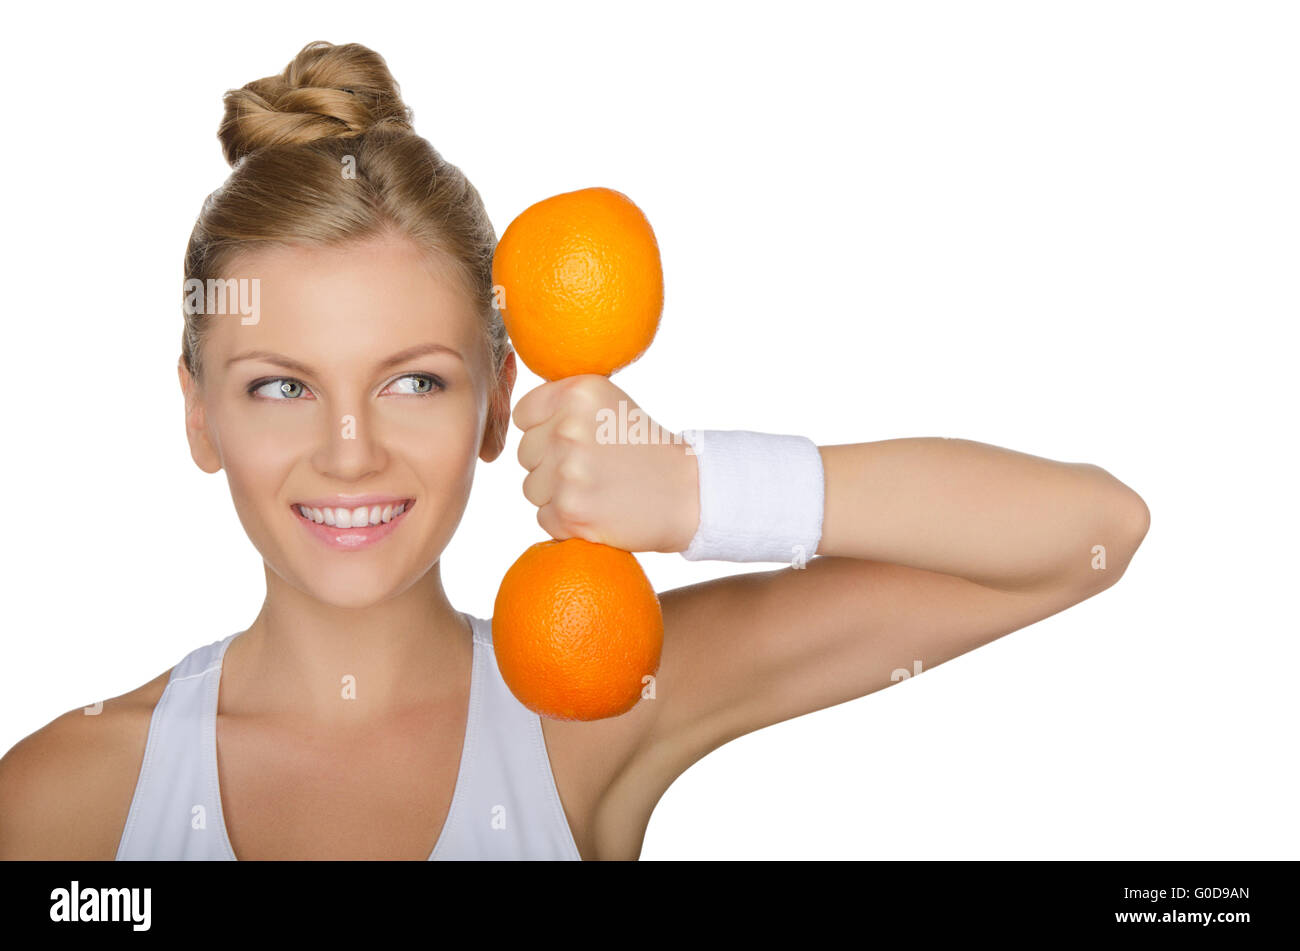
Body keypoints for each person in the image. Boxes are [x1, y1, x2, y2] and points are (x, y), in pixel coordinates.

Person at [0, 41, 1149, 861]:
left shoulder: (598, 705)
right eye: (281, 386)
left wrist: (700, 491)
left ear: (500, 403)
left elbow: (1090, 534)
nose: (349, 453)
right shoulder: (66, 794)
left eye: (414, 380)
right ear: (199, 414)